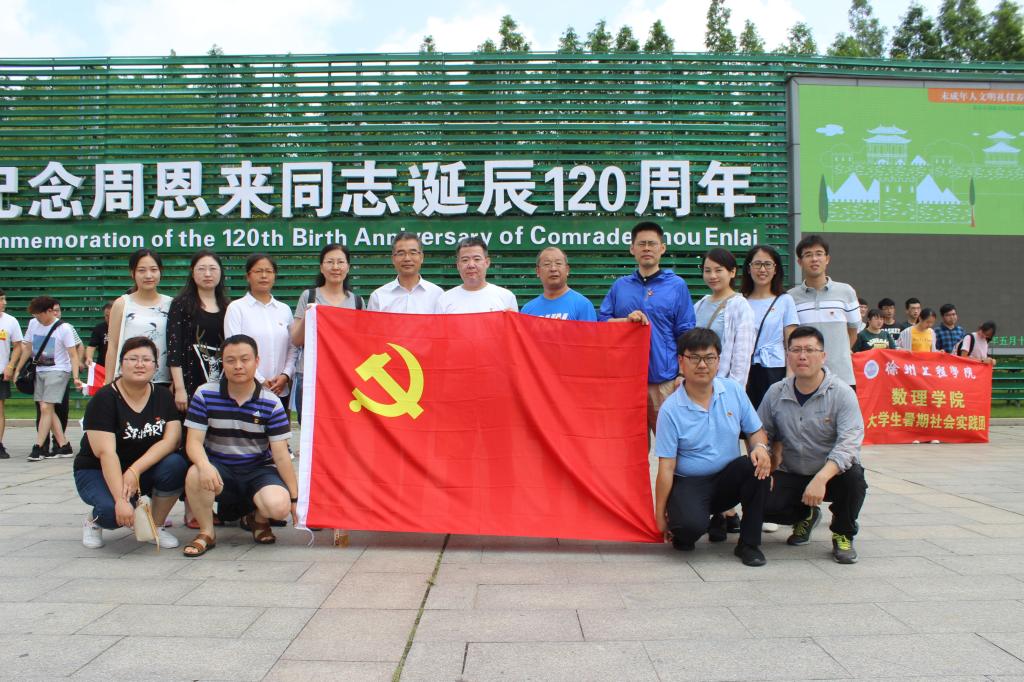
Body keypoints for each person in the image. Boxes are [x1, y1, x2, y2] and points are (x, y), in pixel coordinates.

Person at [653, 328, 773, 567]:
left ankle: (749, 544)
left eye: (709, 358)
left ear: (718, 361)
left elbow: (756, 430)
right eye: (694, 358)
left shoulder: (733, 391)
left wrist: (760, 447)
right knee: (686, 531)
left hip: (727, 478)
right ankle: (700, 519)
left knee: (755, 465)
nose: (702, 364)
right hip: (691, 482)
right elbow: (666, 467)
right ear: (681, 361)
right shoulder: (670, 409)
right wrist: (659, 515)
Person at [759, 326, 867, 564]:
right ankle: (806, 515)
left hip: (832, 474)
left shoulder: (841, 393)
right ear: (788, 355)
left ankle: (843, 533)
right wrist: (765, 457)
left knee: (854, 479)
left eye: (809, 350)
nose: (802, 356)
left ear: (823, 355)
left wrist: (821, 478)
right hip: (792, 471)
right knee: (761, 501)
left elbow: (849, 443)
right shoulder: (776, 392)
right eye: (796, 350)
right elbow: (762, 432)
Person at [181, 335, 296, 557]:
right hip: (220, 470)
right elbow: (193, 443)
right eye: (231, 360)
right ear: (222, 363)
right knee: (195, 472)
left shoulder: (271, 402)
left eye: (245, 359)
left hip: (257, 470)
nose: (238, 366)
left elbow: (281, 455)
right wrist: (204, 465)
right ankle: (207, 532)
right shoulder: (205, 394)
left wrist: (294, 499)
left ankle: (259, 520)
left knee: (278, 507)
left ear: (256, 361)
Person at [74, 337, 186, 550]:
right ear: (121, 364)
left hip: (139, 469)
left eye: (146, 359)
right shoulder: (104, 398)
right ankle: (93, 521)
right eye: (132, 359)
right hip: (98, 470)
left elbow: (171, 440)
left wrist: (135, 470)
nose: (140, 364)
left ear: (156, 366)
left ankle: (155, 525)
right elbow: (106, 453)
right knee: (112, 513)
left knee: (177, 464)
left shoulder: (162, 396)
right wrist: (121, 500)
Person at [599, 221, 696, 434]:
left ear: (662, 248)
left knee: (671, 444)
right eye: (641, 244)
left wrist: (682, 374)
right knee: (630, 445)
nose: (647, 248)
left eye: (652, 244)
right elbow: (602, 324)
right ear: (632, 249)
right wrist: (625, 321)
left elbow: (686, 333)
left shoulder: (676, 285)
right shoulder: (620, 286)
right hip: (627, 382)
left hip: (665, 381)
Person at [291, 244, 365, 419]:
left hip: (344, 376)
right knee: (310, 427)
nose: (335, 267)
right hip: (310, 375)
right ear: (321, 267)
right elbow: (296, 340)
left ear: (348, 267)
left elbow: (361, 344)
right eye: (330, 262)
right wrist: (309, 315)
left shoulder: (357, 302)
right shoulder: (309, 296)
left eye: (340, 262)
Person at [224, 254, 298, 418]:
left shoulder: (284, 309)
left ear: (274, 276)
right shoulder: (237, 308)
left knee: (278, 431)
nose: (264, 276)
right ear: (248, 276)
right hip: (247, 388)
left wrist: (286, 375)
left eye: (269, 271)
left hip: (280, 389)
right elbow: (233, 349)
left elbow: (293, 347)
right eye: (258, 271)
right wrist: (260, 379)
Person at [13, 296, 82, 461]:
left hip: (58, 371)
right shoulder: (33, 323)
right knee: (47, 410)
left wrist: (75, 377)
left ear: (50, 311)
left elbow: (73, 354)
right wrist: (18, 369)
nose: (37, 319)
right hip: (39, 370)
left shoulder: (64, 328)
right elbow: (28, 348)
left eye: (39, 315)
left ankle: (38, 447)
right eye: (35, 316)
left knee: (45, 407)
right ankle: (64, 445)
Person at [788, 235, 860, 388]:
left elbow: (853, 332)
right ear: (800, 262)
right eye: (808, 255)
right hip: (805, 380)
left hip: (842, 378)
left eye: (819, 254)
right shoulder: (790, 298)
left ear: (827, 259)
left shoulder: (846, 292)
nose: (814, 259)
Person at [168, 250, 229, 413]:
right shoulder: (180, 305)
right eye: (201, 269)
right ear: (192, 272)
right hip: (189, 384)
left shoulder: (229, 307)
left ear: (221, 272)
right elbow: (174, 350)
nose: (207, 274)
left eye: (213, 268)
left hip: (223, 385)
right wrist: (179, 388)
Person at [741, 245, 799, 410]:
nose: (762, 269)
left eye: (767, 264)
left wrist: (790, 377)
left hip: (774, 369)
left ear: (775, 269)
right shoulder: (740, 300)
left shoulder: (785, 300)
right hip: (745, 369)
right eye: (757, 264)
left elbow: (791, 342)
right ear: (749, 268)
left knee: (774, 417)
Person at [105, 249, 172, 388]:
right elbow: (112, 346)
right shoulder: (122, 304)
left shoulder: (171, 304)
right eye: (142, 270)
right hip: (127, 380)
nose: (148, 275)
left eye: (153, 270)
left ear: (160, 271)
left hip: (163, 382)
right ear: (132, 273)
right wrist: (108, 384)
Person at [693, 248, 755, 386]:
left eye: (718, 270)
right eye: (707, 270)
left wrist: (734, 389)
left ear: (732, 272)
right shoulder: (700, 304)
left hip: (722, 383)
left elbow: (742, 356)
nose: (712, 276)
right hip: (697, 381)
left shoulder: (740, 305)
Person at [435, 237, 518, 313]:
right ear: (458, 265)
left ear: (487, 262)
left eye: (477, 259)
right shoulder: (445, 300)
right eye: (465, 260)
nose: (471, 265)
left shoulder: (506, 297)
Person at [367, 232, 443, 314]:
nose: (407, 258)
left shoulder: (437, 295)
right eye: (401, 253)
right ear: (393, 259)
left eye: (413, 253)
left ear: (421, 257)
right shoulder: (378, 297)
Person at [521, 247, 597, 321]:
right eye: (547, 264)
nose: (553, 269)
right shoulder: (527, 311)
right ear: (538, 271)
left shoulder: (583, 305)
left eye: (558, 263)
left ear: (567, 270)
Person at [0, 290, 23, 460]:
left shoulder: (10, 321)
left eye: (4, 299)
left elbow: (18, 346)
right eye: (1, 299)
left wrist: (10, 365)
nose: (4, 302)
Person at [85, 302, 112, 368]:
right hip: (102, 365)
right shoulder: (99, 328)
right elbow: (91, 346)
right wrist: (89, 357)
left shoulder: (124, 328)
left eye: (112, 315)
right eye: (107, 316)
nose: (109, 318)